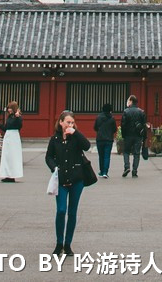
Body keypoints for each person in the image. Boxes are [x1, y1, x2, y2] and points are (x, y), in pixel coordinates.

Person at [46, 111, 95, 257]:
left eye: (72, 122)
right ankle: (59, 243)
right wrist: (54, 167)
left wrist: (76, 133)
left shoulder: (76, 138)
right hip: (61, 179)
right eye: (67, 122)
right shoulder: (54, 139)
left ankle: (68, 244)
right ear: (60, 122)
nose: (70, 125)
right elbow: (49, 156)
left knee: (72, 212)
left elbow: (87, 146)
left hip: (76, 179)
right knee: (61, 210)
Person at [120, 95, 147, 178]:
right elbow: (144, 125)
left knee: (126, 152)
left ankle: (127, 167)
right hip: (138, 136)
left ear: (131, 101)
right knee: (136, 153)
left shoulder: (126, 111)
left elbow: (123, 125)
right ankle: (134, 171)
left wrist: (123, 135)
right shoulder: (141, 112)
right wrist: (144, 136)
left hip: (128, 135)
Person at [0, 101, 25, 183]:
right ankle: (7, 174)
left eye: (10, 108)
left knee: (13, 156)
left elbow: (19, 126)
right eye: (8, 108)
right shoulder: (9, 117)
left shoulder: (18, 117)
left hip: (14, 137)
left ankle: (13, 175)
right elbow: (5, 128)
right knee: (7, 156)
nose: (9, 110)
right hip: (8, 136)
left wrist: (17, 117)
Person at [93, 103, 117, 178]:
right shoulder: (112, 119)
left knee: (101, 156)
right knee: (107, 156)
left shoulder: (98, 117)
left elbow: (95, 127)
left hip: (100, 139)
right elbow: (114, 129)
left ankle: (101, 170)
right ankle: (105, 172)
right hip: (109, 139)